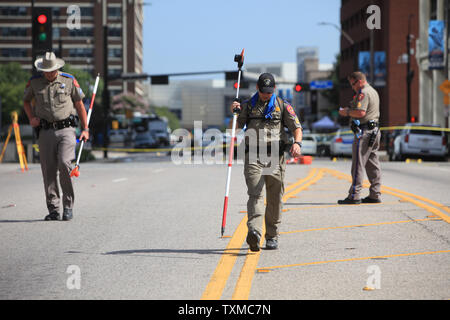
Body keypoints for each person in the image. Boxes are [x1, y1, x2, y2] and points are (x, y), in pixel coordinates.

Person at [231, 73, 302, 251]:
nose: (266, 95)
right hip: (253, 155)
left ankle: (272, 236)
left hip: (275, 157)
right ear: (257, 88)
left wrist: (297, 144)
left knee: (275, 198)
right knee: (255, 194)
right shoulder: (247, 106)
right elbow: (236, 128)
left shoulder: (282, 106)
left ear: (274, 90)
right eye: (263, 91)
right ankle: (254, 232)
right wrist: (235, 112)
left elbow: (297, 128)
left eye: (269, 92)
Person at [23, 52, 89, 221]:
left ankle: (68, 206)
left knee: (65, 163)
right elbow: (26, 101)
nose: (49, 73)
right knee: (48, 170)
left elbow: (79, 105)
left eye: (52, 70)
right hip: (45, 132)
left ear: (58, 68)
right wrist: (31, 118)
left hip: (66, 130)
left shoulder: (68, 80)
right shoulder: (34, 82)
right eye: (46, 70)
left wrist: (86, 128)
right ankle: (53, 209)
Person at [338, 71, 381, 205]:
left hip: (365, 132)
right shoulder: (373, 91)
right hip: (374, 130)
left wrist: (347, 112)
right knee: (373, 164)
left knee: (358, 165)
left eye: (353, 84)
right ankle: (375, 194)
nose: (352, 87)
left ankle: (354, 195)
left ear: (360, 81)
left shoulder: (364, 93)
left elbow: (361, 112)